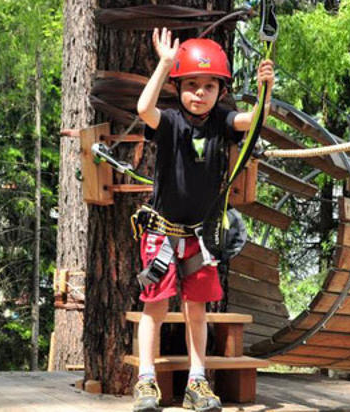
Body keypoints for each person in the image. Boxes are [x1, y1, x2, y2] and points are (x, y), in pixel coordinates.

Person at [133, 27, 274, 412]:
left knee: (197, 308)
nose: (199, 93)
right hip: (163, 234)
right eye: (191, 84)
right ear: (178, 87)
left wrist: (266, 90)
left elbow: (254, 120)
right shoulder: (171, 122)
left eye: (208, 86)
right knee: (155, 307)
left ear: (221, 91)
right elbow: (144, 109)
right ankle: (146, 380)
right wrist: (164, 65)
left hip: (201, 236)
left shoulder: (222, 123)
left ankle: (198, 380)